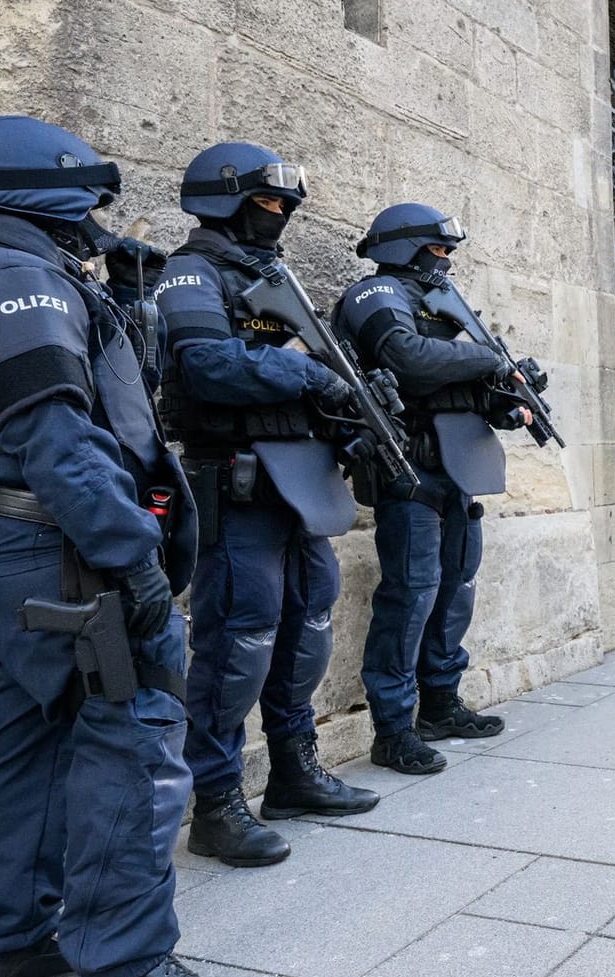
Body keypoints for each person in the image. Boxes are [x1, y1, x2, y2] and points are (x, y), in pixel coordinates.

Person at [0, 116, 239, 977]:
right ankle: (127, 972)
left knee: (19, 730)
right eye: (86, 195)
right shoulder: (15, 279)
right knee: (132, 730)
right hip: (59, 543)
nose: (96, 213)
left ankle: (5, 946)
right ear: (35, 190)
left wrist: (119, 302)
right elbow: (56, 439)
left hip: (1, 545)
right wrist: (131, 560)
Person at [155, 141, 379, 868]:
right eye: (268, 203)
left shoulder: (271, 275)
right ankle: (217, 805)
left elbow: (316, 370)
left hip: (299, 480)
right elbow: (208, 366)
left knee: (309, 620)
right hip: (236, 476)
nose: (278, 217)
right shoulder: (189, 271)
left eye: (286, 205)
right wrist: (307, 375)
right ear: (225, 198)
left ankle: (293, 771)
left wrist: (350, 414)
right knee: (235, 640)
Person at [333, 203, 535, 776]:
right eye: (438, 251)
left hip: (459, 470)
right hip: (410, 468)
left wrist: (508, 394)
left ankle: (441, 704)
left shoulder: (446, 306)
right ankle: (393, 729)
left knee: (456, 588)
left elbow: (471, 388)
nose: (445, 263)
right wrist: (486, 358)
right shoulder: (375, 296)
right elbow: (411, 361)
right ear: (406, 247)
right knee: (411, 595)